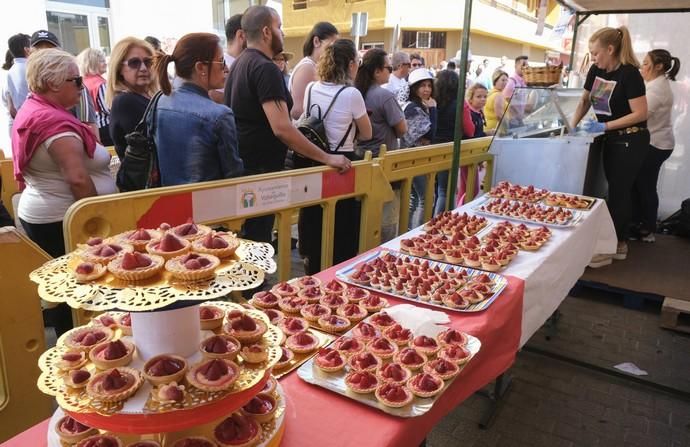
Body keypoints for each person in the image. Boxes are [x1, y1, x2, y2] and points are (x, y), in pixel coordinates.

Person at [12, 49, 116, 335]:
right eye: (77, 81)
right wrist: (98, 221)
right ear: (54, 83)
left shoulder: (36, 109)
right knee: (77, 291)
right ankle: (84, 348)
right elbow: (78, 179)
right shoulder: (54, 124)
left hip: (48, 213)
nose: (82, 87)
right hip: (64, 220)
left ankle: (73, 343)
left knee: (63, 290)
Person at [224, 6, 350, 243]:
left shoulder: (240, 63)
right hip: (261, 173)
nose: (282, 33)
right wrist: (328, 157)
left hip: (249, 168)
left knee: (251, 243)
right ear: (266, 32)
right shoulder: (264, 68)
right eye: (279, 27)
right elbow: (282, 128)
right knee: (257, 245)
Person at [572, 26, 649, 267]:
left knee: (619, 193)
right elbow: (584, 100)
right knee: (612, 192)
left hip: (630, 139)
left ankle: (618, 245)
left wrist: (606, 127)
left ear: (610, 49)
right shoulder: (596, 70)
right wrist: (572, 127)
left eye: (595, 53)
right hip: (611, 138)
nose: (593, 58)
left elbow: (641, 113)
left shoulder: (630, 75)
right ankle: (609, 241)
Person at [298, 39, 372, 274]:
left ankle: (313, 267)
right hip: (342, 161)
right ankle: (336, 273)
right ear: (351, 64)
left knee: (313, 217)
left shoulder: (311, 88)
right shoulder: (351, 94)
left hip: (313, 158)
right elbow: (368, 132)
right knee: (341, 224)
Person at [152, 33, 243, 186]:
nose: (226, 69)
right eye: (221, 61)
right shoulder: (219, 115)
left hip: (166, 203)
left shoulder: (158, 102)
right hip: (210, 205)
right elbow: (233, 174)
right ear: (201, 67)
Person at [631, 50, 681, 243]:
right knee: (638, 184)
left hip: (656, 144)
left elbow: (640, 115)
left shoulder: (657, 89)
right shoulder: (653, 84)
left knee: (645, 186)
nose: (642, 67)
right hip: (655, 141)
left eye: (645, 63)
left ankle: (647, 229)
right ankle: (637, 225)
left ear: (658, 66)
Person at [106, 37, 158, 186]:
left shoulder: (148, 96)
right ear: (119, 69)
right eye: (134, 63)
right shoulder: (125, 101)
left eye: (148, 62)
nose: (143, 68)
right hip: (145, 187)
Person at [30, 30, 99, 137]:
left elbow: (90, 128)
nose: (44, 54)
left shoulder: (75, 84)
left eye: (50, 49)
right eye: (38, 50)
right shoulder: (33, 87)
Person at [432, 69, 474, 215]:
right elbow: (470, 130)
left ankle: (430, 220)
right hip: (450, 148)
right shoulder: (459, 104)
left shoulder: (433, 102)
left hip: (432, 148)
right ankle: (438, 221)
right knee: (445, 190)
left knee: (434, 191)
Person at [401, 68, 437, 229]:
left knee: (415, 198)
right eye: (422, 86)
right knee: (426, 197)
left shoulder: (419, 106)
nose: (427, 89)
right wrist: (434, 109)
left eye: (429, 85)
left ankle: (407, 232)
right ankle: (416, 234)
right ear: (414, 88)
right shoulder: (413, 108)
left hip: (413, 157)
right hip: (414, 158)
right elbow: (430, 134)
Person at [354, 48, 406, 155]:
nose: (391, 72)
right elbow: (402, 129)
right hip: (382, 159)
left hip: (359, 155)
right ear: (377, 71)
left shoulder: (354, 92)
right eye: (389, 68)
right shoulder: (385, 96)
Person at [289, 21, 339, 120]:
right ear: (316, 41)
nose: (334, 52)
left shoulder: (315, 67)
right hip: (305, 133)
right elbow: (297, 111)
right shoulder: (307, 68)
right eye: (330, 47)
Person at [77, 48, 112, 146]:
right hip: (104, 128)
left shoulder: (82, 82)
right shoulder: (100, 84)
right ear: (92, 63)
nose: (105, 63)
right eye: (102, 61)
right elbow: (109, 108)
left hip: (88, 128)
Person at [6, 33, 31, 117]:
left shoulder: (10, 71)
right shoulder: (31, 67)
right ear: (26, 49)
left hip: (21, 117)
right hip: (35, 115)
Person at [503, 55, 529, 126]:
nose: (526, 67)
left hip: (519, 120)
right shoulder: (512, 81)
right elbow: (506, 99)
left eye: (527, 65)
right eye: (523, 64)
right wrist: (518, 114)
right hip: (512, 121)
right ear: (516, 66)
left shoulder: (523, 81)